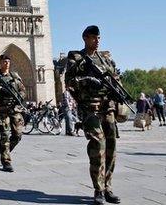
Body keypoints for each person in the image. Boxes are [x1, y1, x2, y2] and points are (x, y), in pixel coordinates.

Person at [65, 25, 122, 205]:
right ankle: (98, 190)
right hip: (91, 109)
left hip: (108, 109)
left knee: (111, 149)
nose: (97, 40)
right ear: (85, 38)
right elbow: (69, 82)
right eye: (93, 37)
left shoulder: (106, 59)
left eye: (98, 38)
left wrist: (117, 90)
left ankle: (108, 187)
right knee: (98, 147)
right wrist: (88, 81)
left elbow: (116, 79)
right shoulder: (76, 58)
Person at [0, 54, 26, 173]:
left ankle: (6, 150)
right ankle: (6, 161)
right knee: (5, 135)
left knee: (18, 135)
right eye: (4, 61)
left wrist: (19, 97)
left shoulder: (15, 76)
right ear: (0, 62)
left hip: (15, 109)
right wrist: (0, 89)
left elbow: (23, 90)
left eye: (8, 61)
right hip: (2, 110)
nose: (6, 63)